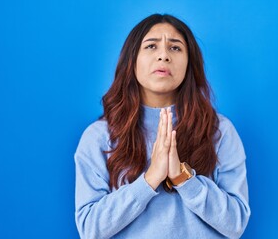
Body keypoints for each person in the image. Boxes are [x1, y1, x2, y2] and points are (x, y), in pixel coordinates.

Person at [74, 14, 250, 239]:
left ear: (189, 63)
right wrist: (149, 180)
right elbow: (90, 229)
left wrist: (183, 178)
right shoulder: (99, 137)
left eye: (175, 48)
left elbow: (235, 224)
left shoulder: (220, 131)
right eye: (151, 46)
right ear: (132, 59)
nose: (163, 56)